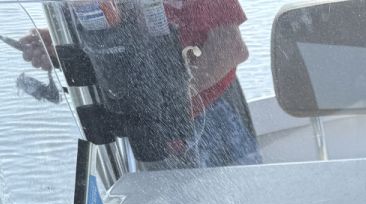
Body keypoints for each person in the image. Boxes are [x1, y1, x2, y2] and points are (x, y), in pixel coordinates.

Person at [21, 0, 260, 168]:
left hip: (209, 117)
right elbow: (111, 27)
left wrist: (167, 104)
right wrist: (61, 43)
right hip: (137, 124)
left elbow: (230, 47)